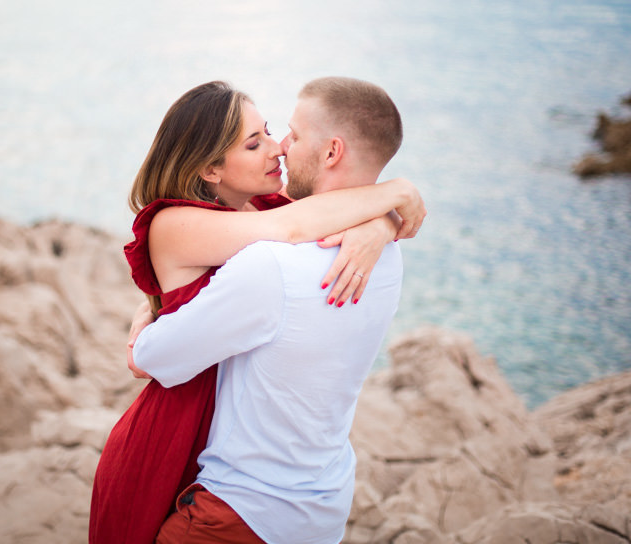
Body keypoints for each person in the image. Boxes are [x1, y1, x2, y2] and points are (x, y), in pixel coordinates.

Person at [88, 80, 424, 544]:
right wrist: (394, 197)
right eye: (256, 142)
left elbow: (304, 221)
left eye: (274, 132)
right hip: (178, 432)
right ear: (210, 168)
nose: (279, 149)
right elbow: (287, 229)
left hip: (228, 461)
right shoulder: (183, 224)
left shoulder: (269, 220)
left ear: (330, 152)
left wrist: (381, 222)